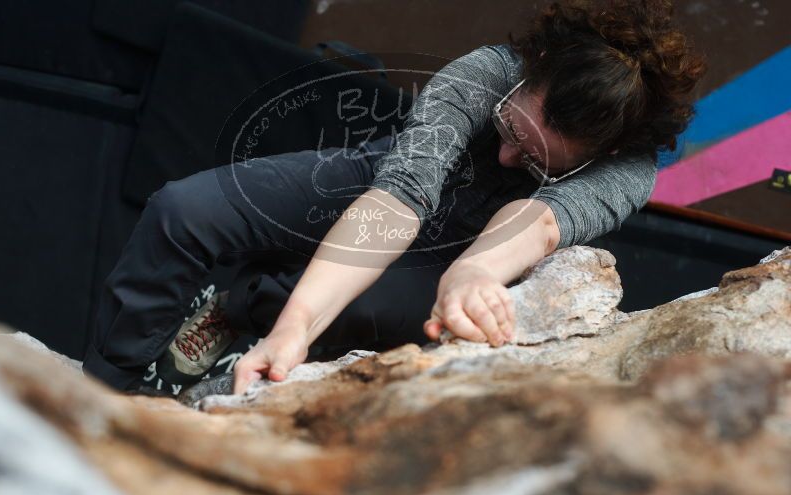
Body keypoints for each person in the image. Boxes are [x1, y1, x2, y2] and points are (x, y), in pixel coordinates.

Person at [83, 0, 705, 394]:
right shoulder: (489, 68)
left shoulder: (629, 169)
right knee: (184, 211)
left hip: (470, 248)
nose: (509, 158)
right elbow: (398, 199)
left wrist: (473, 275)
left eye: (538, 160)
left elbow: (539, 222)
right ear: (530, 68)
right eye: (512, 130)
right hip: (391, 180)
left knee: (359, 307)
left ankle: (247, 310)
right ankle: (108, 387)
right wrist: (300, 327)